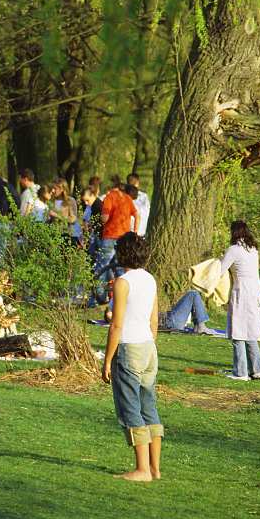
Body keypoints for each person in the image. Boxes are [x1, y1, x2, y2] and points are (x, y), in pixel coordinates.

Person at [101, 232, 162, 482]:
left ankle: (142, 470)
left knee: (132, 409)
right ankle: (155, 468)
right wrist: (150, 343)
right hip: (149, 347)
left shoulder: (122, 282)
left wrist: (107, 360)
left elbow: (116, 325)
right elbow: (154, 319)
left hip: (129, 347)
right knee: (149, 407)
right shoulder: (150, 280)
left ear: (121, 253)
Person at [220, 220, 260, 381]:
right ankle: (258, 369)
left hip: (242, 292)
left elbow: (220, 269)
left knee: (238, 332)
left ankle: (241, 372)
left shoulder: (233, 250)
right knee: (251, 331)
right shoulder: (253, 249)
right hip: (256, 291)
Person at [93, 176, 138, 304]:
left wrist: (100, 217)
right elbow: (136, 215)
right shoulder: (127, 198)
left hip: (110, 237)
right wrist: (134, 231)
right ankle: (120, 299)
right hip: (123, 239)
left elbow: (105, 218)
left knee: (102, 266)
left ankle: (98, 299)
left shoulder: (110, 197)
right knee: (120, 269)